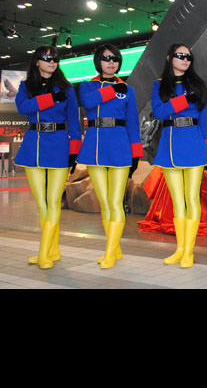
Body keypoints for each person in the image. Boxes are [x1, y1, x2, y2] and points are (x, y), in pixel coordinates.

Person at [14, 46, 82, 269]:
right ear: (37, 62)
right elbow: (23, 107)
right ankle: (52, 249)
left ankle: (43, 252)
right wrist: (50, 99)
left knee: (53, 202)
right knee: (41, 203)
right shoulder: (26, 86)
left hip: (59, 145)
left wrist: (74, 151)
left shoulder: (67, 89)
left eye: (55, 59)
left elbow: (74, 123)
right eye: (47, 58)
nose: (52, 62)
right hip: (33, 145)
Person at [77, 44, 144, 268]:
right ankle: (114, 249)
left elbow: (133, 122)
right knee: (105, 202)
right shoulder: (87, 86)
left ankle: (109, 252)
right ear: (98, 61)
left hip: (120, 145)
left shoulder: (128, 90)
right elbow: (88, 102)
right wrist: (113, 90)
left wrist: (136, 153)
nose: (111, 62)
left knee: (116, 202)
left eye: (115, 58)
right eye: (106, 58)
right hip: (95, 146)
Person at [151, 44, 207, 267]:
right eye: (180, 55)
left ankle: (189, 252)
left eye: (188, 56)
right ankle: (180, 249)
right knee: (177, 200)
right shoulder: (159, 84)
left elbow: (205, 119)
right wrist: (184, 101)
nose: (185, 59)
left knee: (192, 198)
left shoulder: (198, 84)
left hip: (195, 142)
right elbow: (159, 112)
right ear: (170, 58)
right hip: (170, 143)